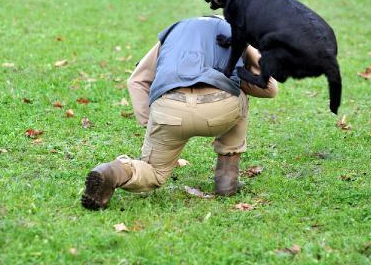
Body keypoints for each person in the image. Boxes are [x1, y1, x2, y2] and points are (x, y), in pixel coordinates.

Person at [81, 16, 278, 210]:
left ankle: (115, 171)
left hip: (169, 110)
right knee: (240, 93)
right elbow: (269, 88)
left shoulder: (174, 32)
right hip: (219, 110)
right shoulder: (236, 32)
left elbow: (137, 80)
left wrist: (150, 122)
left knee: (155, 173)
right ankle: (227, 179)